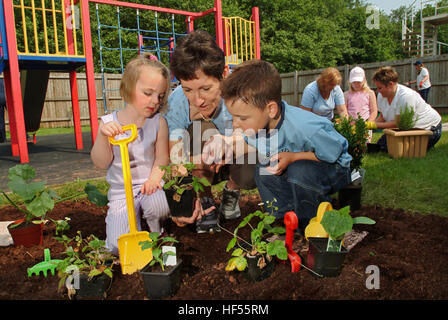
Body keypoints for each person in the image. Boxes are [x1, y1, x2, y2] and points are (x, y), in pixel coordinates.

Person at [202, 60, 352, 234]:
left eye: (242, 118)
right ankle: (282, 220)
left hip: (334, 167)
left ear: (270, 109)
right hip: (300, 166)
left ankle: (311, 224)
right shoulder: (260, 124)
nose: (236, 123)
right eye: (233, 117)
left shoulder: (305, 127)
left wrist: (294, 157)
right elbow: (244, 142)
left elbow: (334, 153)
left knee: (300, 171)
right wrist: (227, 147)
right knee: (264, 168)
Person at [163, 30, 256, 231]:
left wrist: (227, 142)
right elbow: (176, 152)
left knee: (252, 155)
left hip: (233, 159)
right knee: (198, 130)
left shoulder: (240, 95)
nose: (197, 100)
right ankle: (206, 201)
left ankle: (231, 191)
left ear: (223, 75)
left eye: (205, 89)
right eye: (188, 89)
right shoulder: (178, 101)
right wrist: (184, 194)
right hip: (201, 162)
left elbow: (252, 136)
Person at [90, 53, 171, 255]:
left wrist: (154, 179)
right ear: (128, 88)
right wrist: (103, 136)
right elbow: (100, 163)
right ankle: (129, 222)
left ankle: (156, 232)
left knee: (159, 206)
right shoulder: (109, 123)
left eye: (160, 96)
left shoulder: (158, 122)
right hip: (121, 191)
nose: (155, 101)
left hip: (148, 187)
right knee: (118, 246)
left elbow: (162, 157)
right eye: (148, 93)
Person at [371, 66, 442, 152]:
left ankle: (426, 143)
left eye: (380, 88)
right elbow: (383, 116)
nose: (378, 91)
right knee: (381, 147)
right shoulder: (382, 96)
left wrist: (375, 125)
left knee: (396, 149)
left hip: (429, 128)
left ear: (390, 84)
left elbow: (399, 124)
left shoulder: (406, 96)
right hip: (407, 129)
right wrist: (368, 125)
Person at [344, 66, 378, 142]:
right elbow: (344, 111)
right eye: (354, 82)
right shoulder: (346, 95)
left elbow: (374, 111)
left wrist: (368, 123)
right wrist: (348, 124)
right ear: (350, 82)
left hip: (365, 126)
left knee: (364, 145)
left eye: (359, 82)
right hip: (351, 126)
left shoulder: (370, 93)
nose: (356, 84)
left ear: (364, 81)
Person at [0, 77, 6, 143]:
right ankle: (24, 135)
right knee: (15, 117)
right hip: (8, 95)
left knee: (0, 120)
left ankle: (2, 138)